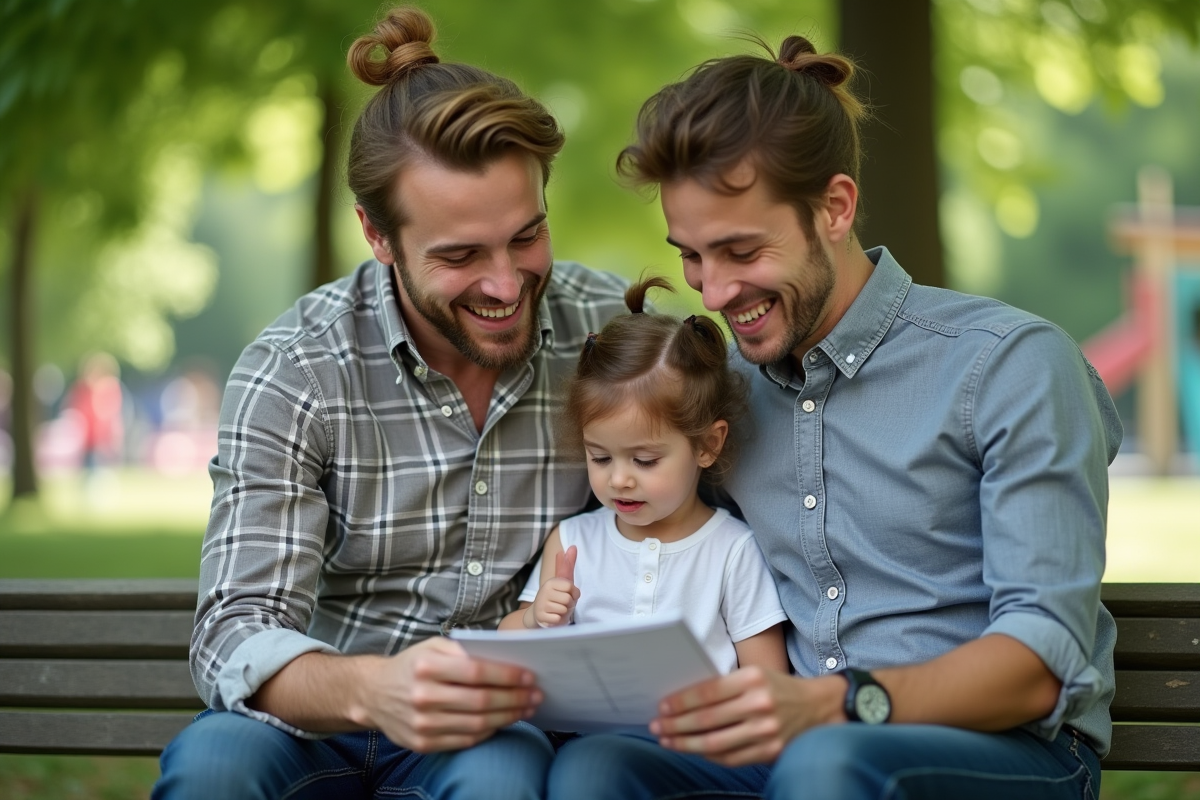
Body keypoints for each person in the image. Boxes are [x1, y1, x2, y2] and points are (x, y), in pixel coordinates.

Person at [546, 34, 1122, 800]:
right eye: (690, 256)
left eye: (741, 250)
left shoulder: (1010, 365)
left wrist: (837, 705)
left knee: (829, 764)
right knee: (597, 770)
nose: (712, 293)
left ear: (836, 208)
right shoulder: (727, 396)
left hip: (1009, 752)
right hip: (799, 750)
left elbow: (1040, 665)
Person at [152, 7, 631, 800]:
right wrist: (373, 690)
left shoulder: (610, 336)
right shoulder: (296, 369)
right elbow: (233, 632)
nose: (507, 284)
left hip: (487, 735)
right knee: (214, 771)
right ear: (377, 236)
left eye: (527, 236)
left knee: (504, 780)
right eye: (459, 255)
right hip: (308, 720)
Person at [499, 276, 789, 684]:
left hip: (699, 741)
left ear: (707, 445)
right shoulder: (572, 543)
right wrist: (533, 619)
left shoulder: (733, 551)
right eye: (599, 457)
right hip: (594, 736)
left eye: (645, 460)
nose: (619, 479)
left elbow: (769, 677)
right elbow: (508, 650)